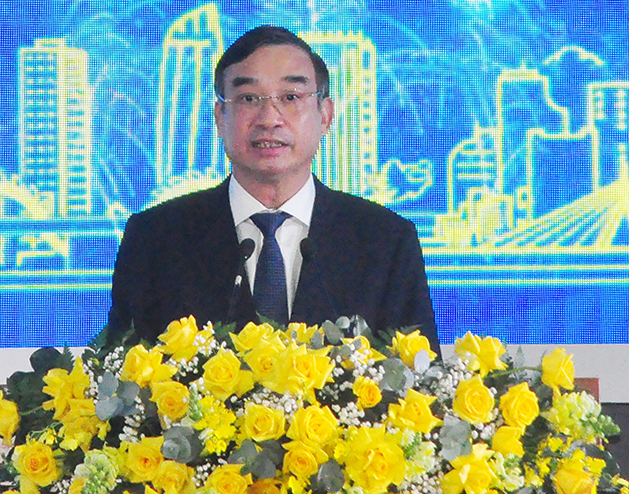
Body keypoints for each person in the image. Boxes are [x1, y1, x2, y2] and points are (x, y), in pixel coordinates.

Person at [107, 25, 439, 348]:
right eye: (249, 98)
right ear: (220, 117)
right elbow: (124, 382)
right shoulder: (155, 239)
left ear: (325, 115)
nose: (269, 118)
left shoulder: (386, 241)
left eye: (291, 96)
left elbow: (421, 390)